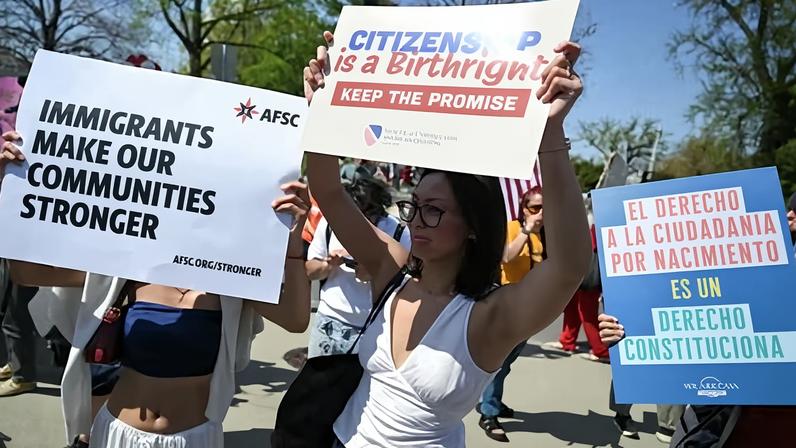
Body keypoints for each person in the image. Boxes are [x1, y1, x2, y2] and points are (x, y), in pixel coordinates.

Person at [304, 31, 592, 447]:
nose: (417, 220)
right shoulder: (391, 274)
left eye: (434, 210)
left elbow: (567, 267)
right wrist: (323, 115)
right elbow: (329, 191)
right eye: (414, 205)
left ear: (474, 224)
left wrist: (549, 137)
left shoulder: (488, 316)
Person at [1, 130, 312, 448]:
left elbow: (295, 320)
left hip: (194, 438)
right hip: (118, 434)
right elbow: (26, 272)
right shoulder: (131, 264)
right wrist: (10, 192)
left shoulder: (232, 277)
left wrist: (292, 247)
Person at [306, 176, 411, 358]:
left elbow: (411, 282)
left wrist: (376, 274)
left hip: (374, 326)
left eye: (369, 215)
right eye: (354, 215)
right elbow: (310, 270)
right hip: (330, 320)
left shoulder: (397, 232)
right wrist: (328, 265)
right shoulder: (331, 223)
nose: (361, 222)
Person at [476, 187, 545, 442]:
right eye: (534, 207)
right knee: (499, 362)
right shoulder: (514, 227)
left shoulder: (543, 237)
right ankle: (489, 413)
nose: (539, 213)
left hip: (529, 307)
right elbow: (506, 256)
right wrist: (526, 230)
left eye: (543, 208)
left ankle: (491, 400)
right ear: (523, 208)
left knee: (508, 362)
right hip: (507, 304)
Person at [598, 313, 685, 444]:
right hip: (631, 298)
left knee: (674, 351)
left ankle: (669, 423)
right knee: (631, 348)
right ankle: (622, 413)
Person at [545, 224, 610, 362]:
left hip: (589, 269)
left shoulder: (597, 219)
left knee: (587, 312)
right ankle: (567, 340)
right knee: (571, 304)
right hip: (579, 265)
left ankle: (601, 350)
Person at [0, 259, 39, 396]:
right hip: (13, 256)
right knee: (9, 313)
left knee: (18, 317)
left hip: (24, 257)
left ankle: (23, 378)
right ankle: (13, 364)